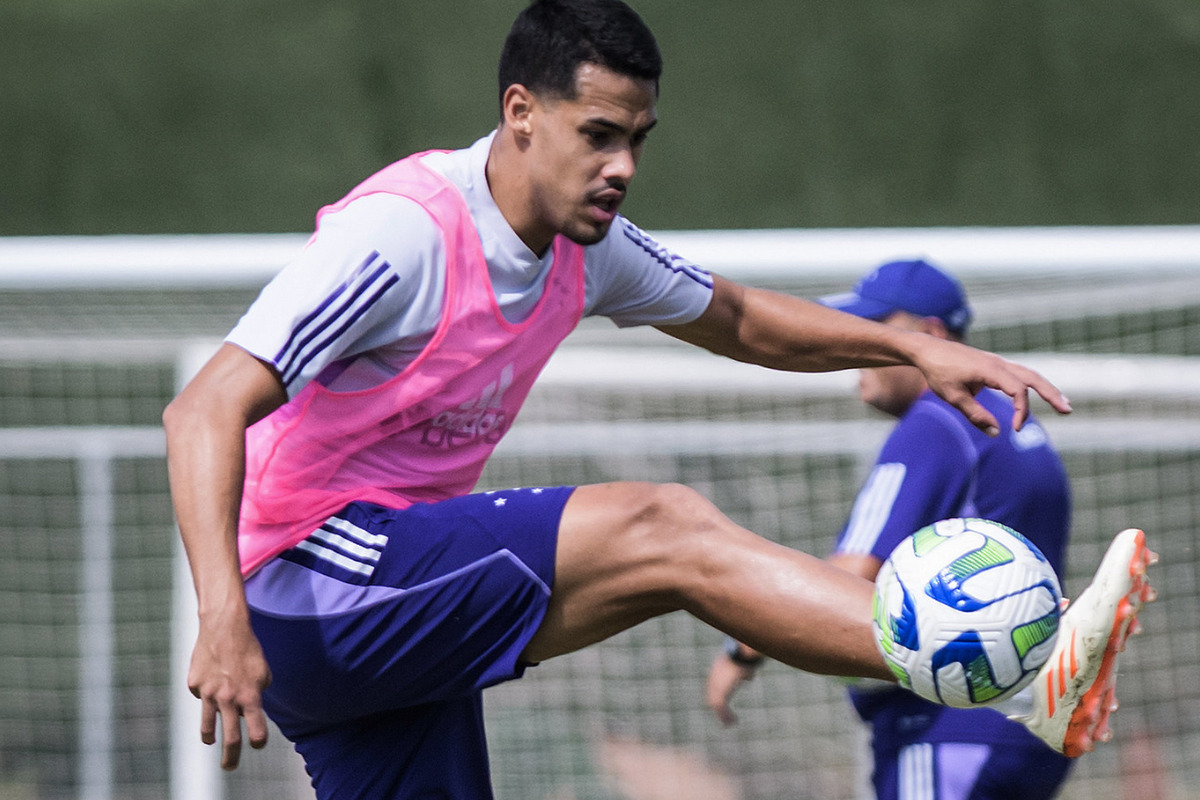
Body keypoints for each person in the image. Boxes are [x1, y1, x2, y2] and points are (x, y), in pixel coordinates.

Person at [163, 2, 1152, 798]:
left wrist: (907, 346)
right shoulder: (403, 233)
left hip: (367, 618)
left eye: (636, 139)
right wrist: (220, 616)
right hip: (297, 579)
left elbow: (742, 319)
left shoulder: (586, 251)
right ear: (520, 114)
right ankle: (1024, 671)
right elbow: (202, 409)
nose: (622, 168)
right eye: (597, 136)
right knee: (661, 525)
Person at [706, 259, 1089, 799]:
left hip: (946, 727)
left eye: (875, 332)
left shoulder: (935, 426)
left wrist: (741, 650)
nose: (856, 354)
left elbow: (850, 575)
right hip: (1026, 728)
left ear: (930, 336)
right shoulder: (1007, 422)